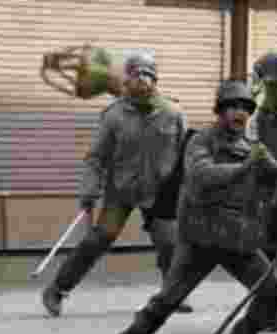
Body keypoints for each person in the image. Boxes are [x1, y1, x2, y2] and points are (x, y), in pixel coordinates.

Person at [111, 79, 277, 334]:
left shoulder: (251, 147)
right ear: (220, 111)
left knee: (271, 286)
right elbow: (202, 174)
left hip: (235, 237)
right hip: (200, 236)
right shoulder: (200, 141)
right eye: (232, 107)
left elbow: (269, 183)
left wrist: (273, 169)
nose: (239, 113)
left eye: (244, 108)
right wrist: (244, 168)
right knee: (170, 297)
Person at [41, 50, 190, 317]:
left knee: (169, 242)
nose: (142, 80)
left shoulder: (174, 113)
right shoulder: (114, 116)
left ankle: (172, 295)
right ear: (126, 80)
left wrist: (185, 190)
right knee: (100, 238)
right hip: (121, 189)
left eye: (148, 74)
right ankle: (57, 290)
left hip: (159, 191)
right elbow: (96, 158)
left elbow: (184, 154)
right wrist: (89, 189)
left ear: (156, 79)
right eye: (136, 74)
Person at [250, 47, 277, 270]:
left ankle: (272, 245)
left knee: (273, 192)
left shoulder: (269, 60)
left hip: (274, 130)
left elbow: (255, 96)